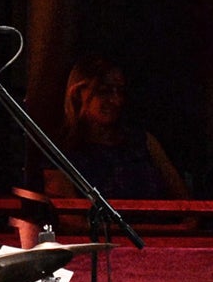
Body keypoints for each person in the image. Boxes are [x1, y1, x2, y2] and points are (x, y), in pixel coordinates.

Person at [46, 57, 189, 201]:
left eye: (119, 91)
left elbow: (184, 200)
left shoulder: (143, 142)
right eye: (104, 91)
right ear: (78, 94)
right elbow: (69, 218)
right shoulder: (61, 151)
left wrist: (189, 222)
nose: (116, 100)